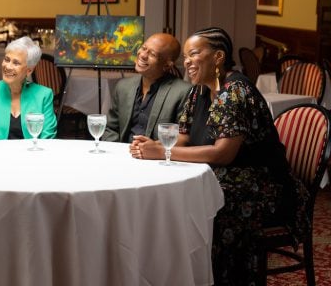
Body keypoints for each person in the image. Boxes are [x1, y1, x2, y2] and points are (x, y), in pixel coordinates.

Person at [131, 27, 308, 285]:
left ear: (218, 57)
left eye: (194, 54)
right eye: (185, 57)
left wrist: (163, 151)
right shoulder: (198, 91)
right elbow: (182, 139)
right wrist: (152, 146)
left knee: (204, 198)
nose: (187, 61)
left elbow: (223, 154)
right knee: (180, 193)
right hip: (224, 174)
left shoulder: (235, 92)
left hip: (262, 185)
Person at [102, 33, 191, 143]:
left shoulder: (183, 92)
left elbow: (183, 137)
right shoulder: (123, 86)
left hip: (156, 157)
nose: (143, 55)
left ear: (167, 65)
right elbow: (111, 129)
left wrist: (153, 150)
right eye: (144, 48)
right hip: (122, 154)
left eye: (152, 54)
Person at [0, 36, 57, 140]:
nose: (8, 67)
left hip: (32, 155)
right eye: (7, 60)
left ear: (29, 70)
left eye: (16, 63)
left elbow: (48, 139)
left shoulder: (44, 95)